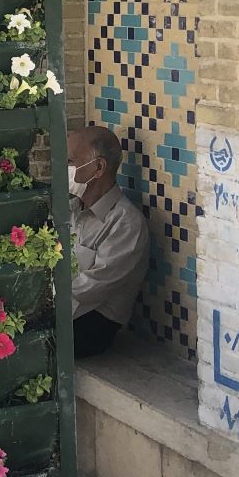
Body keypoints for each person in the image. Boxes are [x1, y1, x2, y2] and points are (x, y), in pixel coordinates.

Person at [69, 124, 150, 358]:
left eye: (72, 162)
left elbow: (90, 288)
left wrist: (39, 310)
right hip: (61, 307)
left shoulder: (126, 223)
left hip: (91, 322)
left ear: (98, 168)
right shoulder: (73, 209)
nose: (67, 169)